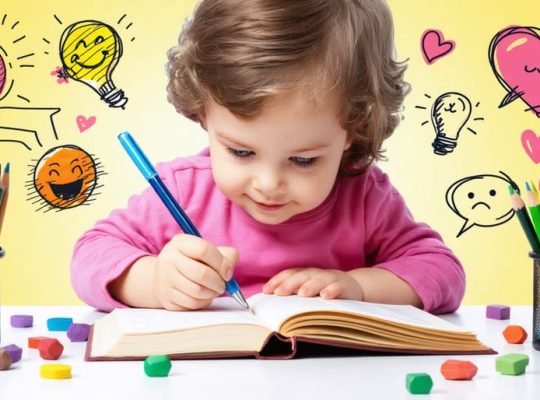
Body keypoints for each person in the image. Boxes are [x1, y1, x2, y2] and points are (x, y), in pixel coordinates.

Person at [71, 0, 464, 314]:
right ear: (203, 112)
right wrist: (154, 280)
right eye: (241, 151)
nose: (268, 184)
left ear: (354, 128)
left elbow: (443, 273)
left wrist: (361, 287)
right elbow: (90, 256)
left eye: (304, 160)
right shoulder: (182, 190)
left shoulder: (364, 197)